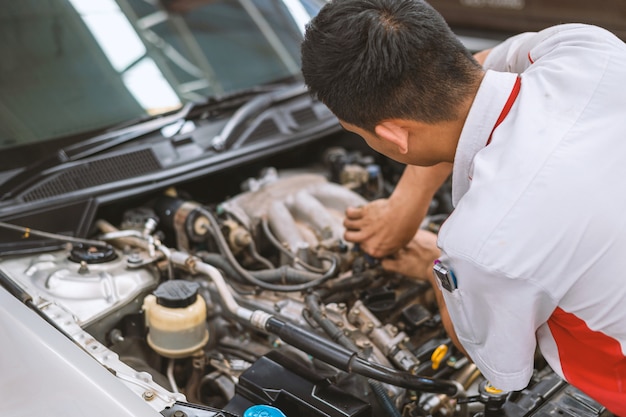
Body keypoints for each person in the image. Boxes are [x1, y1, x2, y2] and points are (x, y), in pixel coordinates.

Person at [300, 0, 626, 414]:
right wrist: (406, 204)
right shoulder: (586, 49)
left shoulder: (481, 247)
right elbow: (486, 67)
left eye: (358, 133)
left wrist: (435, 267)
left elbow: (500, 367)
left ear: (393, 136)